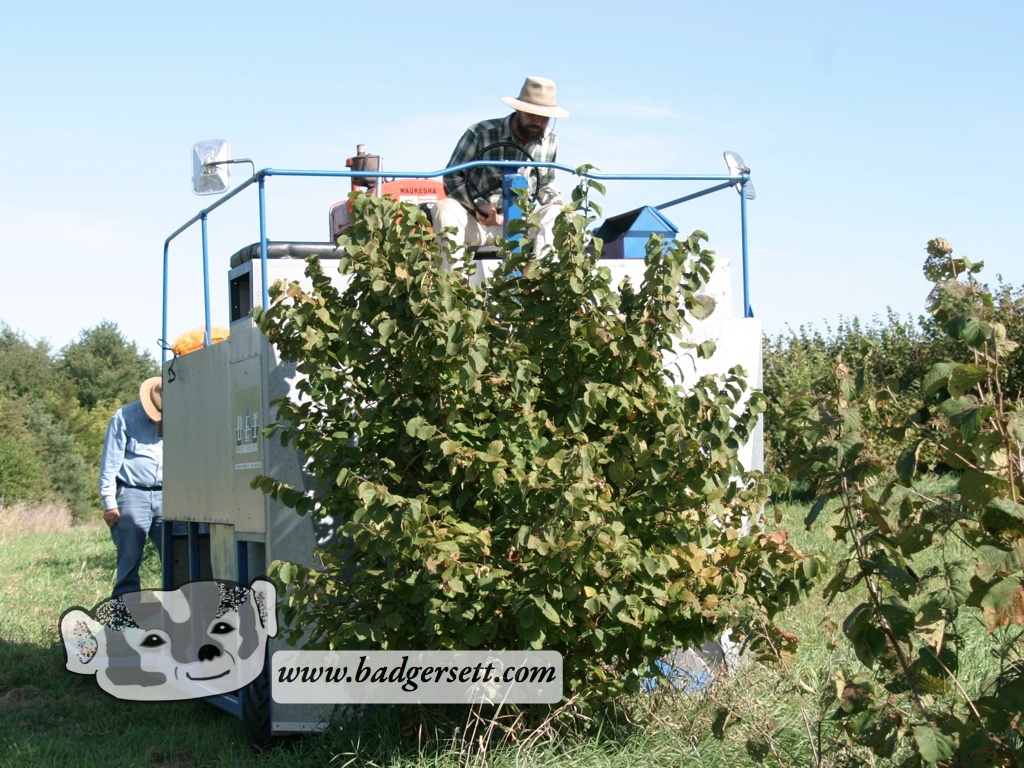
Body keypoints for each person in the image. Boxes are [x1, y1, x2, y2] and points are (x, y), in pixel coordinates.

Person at [434, 76, 569, 256]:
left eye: (543, 117)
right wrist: (479, 205)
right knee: (446, 209)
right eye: (531, 114)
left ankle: (539, 279)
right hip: (475, 223)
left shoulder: (550, 141)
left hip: (519, 225)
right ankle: (449, 281)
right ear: (518, 109)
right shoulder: (481, 132)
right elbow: (453, 176)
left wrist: (561, 205)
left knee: (559, 214)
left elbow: (545, 184)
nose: (537, 121)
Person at [99, 376, 164, 598]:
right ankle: (124, 621)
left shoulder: (183, 416)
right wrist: (110, 504)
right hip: (132, 494)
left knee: (179, 559)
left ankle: (178, 618)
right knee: (129, 561)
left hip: (170, 494)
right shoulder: (124, 418)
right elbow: (109, 464)